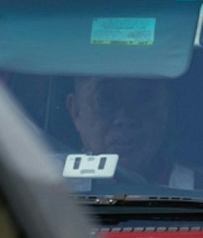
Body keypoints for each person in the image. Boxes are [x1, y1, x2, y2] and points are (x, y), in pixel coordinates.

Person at [64, 76, 194, 188]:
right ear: (76, 112)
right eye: (107, 99)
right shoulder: (49, 196)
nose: (125, 118)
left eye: (143, 98)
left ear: (167, 108)